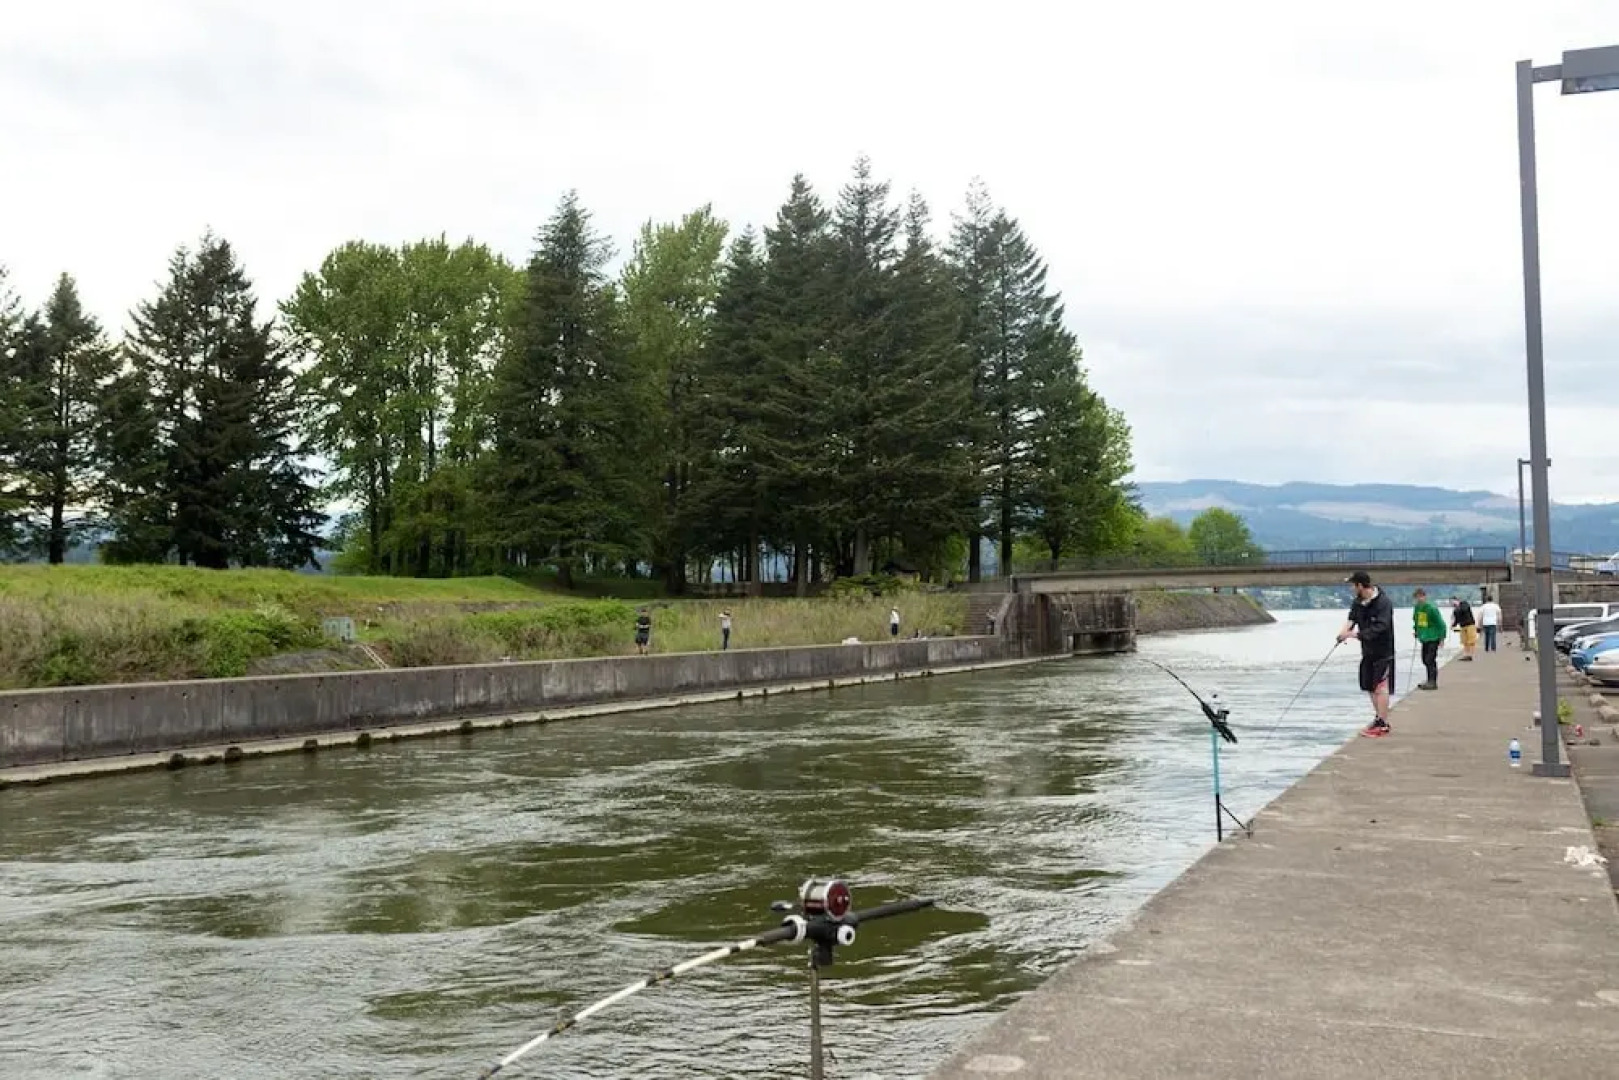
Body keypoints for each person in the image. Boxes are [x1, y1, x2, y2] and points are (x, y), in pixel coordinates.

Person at [1338, 570, 1396, 737]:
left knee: (1381, 686)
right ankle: (1378, 718)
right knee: (1369, 685)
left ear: (1360, 586)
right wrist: (1344, 632)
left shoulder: (1383, 602)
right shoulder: (1358, 602)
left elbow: (1382, 626)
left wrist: (1356, 635)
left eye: (1352, 585)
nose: (1351, 589)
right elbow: (1352, 619)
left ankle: (1383, 724)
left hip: (1384, 651)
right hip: (1368, 651)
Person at [1411, 588, 1448, 690]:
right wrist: (1416, 631)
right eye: (1417, 598)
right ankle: (1428, 680)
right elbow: (1418, 621)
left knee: (1430, 659)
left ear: (1424, 596)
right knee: (1424, 659)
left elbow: (1441, 624)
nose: (1419, 599)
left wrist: (1442, 638)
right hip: (1424, 637)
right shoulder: (1417, 608)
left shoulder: (1431, 608)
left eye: (1420, 597)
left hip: (1433, 637)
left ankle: (1432, 682)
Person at [1451, 596, 1477, 660]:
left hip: (1470, 624)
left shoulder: (1464, 604)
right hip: (1462, 626)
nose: (1452, 603)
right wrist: (1453, 625)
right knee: (1464, 641)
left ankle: (1471, 655)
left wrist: (1458, 606)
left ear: (1457, 600)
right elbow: (1457, 619)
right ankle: (1466, 655)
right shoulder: (1455, 610)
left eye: (1453, 601)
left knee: (1471, 641)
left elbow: (1464, 610)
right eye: (1451, 602)